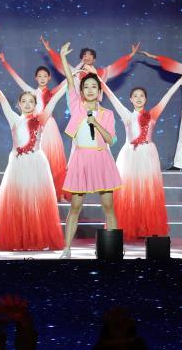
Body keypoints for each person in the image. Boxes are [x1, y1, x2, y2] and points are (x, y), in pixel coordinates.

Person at [0, 66, 68, 250]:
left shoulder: (41, 119)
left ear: (36, 104)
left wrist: (70, 78)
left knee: (35, 202)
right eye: (24, 101)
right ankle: (19, 239)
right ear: (19, 104)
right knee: (18, 202)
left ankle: (36, 239)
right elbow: (2, 99)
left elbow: (55, 99)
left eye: (31, 101)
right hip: (17, 164)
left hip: (36, 163)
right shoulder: (14, 119)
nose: (28, 104)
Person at [103, 72, 182, 240]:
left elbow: (166, 98)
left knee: (147, 191)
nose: (138, 98)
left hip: (148, 155)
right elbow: (111, 97)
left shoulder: (152, 114)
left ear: (146, 99)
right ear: (130, 100)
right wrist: (98, 80)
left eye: (141, 96)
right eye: (135, 96)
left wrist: (180, 81)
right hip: (130, 156)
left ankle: (146, 227)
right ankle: (129, 226)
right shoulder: (127, 115)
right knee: (129, 192)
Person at [60, 42, 122, 258]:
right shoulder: (76, 106)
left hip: (102, 160)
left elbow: (111, 140)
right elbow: (70, 80)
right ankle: (67, 249)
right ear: (82, 91)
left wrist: (97, 124)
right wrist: (63, 58)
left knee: (108, 206)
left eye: (94, 87)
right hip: (81, 160)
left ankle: (114, 249)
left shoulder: (108, 114)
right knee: (75, 207)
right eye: (86, 87)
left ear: (99, 90)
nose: (90, 90)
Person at [0, 51, 68, 193]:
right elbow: (17, 79)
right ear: (35, 78)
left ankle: (56, 192)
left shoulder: (53, 92)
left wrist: (79, 68)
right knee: (36, 159)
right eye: (40, 76)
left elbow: (68, 82)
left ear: (49, 78)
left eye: (45, 76)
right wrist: (4, 62)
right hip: (34, 127)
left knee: (54, 160)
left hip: (50, 127)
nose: (42, 78)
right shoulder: (31, 92)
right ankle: (36, 190)